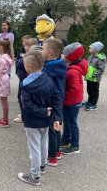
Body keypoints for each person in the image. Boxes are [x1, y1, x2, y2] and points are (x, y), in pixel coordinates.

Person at [17, 50, 62, 186]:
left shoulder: (25, 84)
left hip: (33, 121)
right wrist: (56, 117)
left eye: (24, 64)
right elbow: (57, 98)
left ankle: (34, 176)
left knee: (34, 148)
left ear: (29, 66)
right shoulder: (48, 80)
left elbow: (28, 106)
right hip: (46, 120)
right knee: (43, 143)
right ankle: (42, 166)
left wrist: (44, 112)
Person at [41, 39, 66, 167]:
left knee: (51, 130)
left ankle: (51, 157)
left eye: (43, 48)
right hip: (59, 101)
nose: (41, 51)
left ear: (49, 52)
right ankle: (57, 152)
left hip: (50, 102)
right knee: (57, 126)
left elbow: (45, 88)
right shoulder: (61, 64)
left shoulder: (47, 69)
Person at [61, 42, 88, 154]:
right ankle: (65, 139)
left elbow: (74, 89)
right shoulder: (71, 68)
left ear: (70, 57)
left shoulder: (72, 72)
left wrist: (65, 99)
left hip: (71, 102)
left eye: (63, 54)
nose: (61, 55)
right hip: (70, 102)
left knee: (72, 123)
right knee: (66, 121)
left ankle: (75, 145)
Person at [14, 38, 38, 123]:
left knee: (24, 99)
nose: (24, 46)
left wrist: (24, 58)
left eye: (27, 45)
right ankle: (24, 115)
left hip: (27, 80)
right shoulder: (24, 54)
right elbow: (17, 63)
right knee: (20, 97)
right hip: (22, 79)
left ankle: (26, 118)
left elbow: (20, 64)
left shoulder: (30, 57)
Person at [84, 41, 106, 111]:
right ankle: (89, 101)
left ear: (96, 50)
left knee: (94, 91)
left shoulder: (100, 59)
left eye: (91, 48)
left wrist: (94, 75)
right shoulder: (91, 56)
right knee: (89, 90)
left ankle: (93, 104)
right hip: (89, 78)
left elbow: (101, 69)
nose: (89, 49)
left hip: (94, 79)